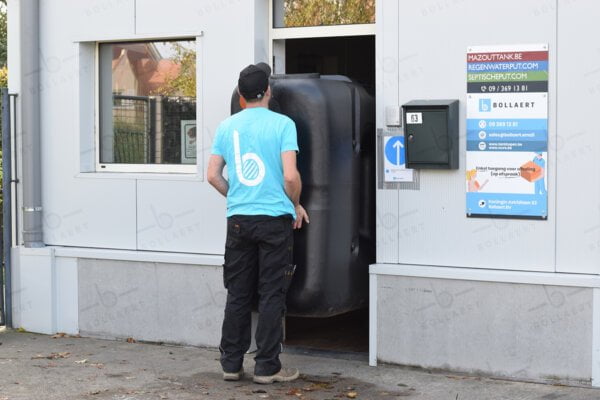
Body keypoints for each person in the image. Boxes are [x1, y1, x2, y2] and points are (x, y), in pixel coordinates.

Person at [207, 62, 310, 384]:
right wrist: (293, 205)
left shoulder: (226, 126)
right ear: (268, 91)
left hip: (238, 219)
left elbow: (212, 175)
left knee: (237, 294)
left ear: (241, 94)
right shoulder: (283, 124)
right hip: (273, 221)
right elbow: (290, 175)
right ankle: (267, 367)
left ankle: (231, 364)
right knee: (270, 294)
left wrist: (237, 197)